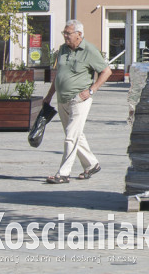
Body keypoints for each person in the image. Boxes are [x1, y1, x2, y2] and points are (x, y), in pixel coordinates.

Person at [43, 20, 112, 184]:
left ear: (79, 35)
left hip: (80, 100)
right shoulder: (63, 49)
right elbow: (59, 75)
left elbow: (106, 71)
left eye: (68, 33)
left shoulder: (89, 50)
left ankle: (63, 173)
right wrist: (49, 96)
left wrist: (91, 90)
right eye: (64, 33)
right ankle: (92, 164)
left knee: (71, 137)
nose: (65, 36)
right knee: (74, 135)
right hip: (63, 99)